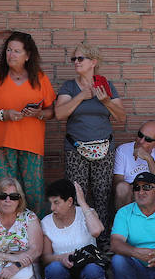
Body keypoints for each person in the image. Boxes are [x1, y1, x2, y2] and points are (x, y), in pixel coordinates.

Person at [0, 30, 56, 214]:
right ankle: (0, 235)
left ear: (28, 55)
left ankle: (34, 235)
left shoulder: (40, 79)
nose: (11, 55)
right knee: (3, 194)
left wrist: (38, 113)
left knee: (33, 194)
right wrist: (3, 115)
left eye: (16, 51)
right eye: (9, 50)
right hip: (0, 145)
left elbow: (52, 112)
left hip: (31, 145)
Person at [53, 42, 126, 228]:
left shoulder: (106, 85)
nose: (76, 62)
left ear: (93, 62)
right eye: (74, 59)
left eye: (80, 58)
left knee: (102, 194)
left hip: (104, 149)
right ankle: (81, 239)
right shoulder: (69, 87)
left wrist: (106, 101)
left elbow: (121, 117)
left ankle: (101, 240)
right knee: (77, 194)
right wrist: (81, 96)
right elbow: (59, 114)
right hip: (76, 149)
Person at [40, 179, 106, 279]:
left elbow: (96, 231)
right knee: (53, 268)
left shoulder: (86, 214)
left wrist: (82, 202)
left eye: (56, 203)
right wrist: (61, 257)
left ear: (70, 201)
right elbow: (45, 258)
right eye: (51, 203)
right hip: (62, 277)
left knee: (93, 269)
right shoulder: (46, 222)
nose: (52, 208)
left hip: (89, 273)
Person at [113, 122, 155, 211]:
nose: (141, 141)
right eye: (140, 135)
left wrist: (149, 159)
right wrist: (138, 189)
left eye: (148, 139)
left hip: (154, 191)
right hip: (132, 190)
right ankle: (124, 223)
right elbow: (117, 182)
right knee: (122, 187)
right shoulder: (123, 150)